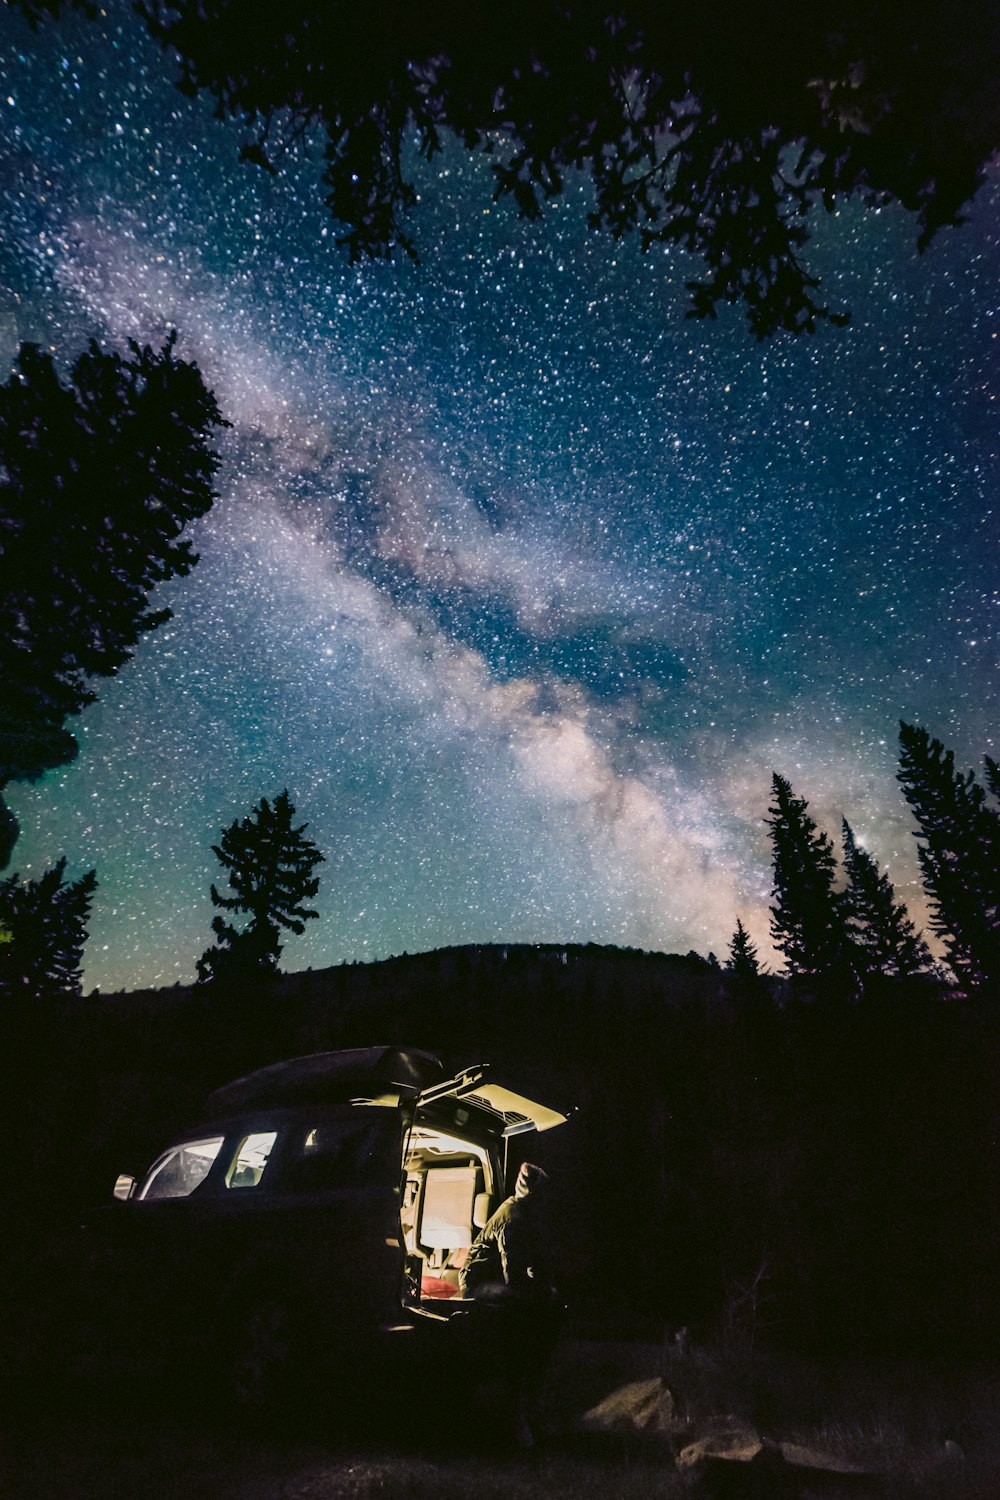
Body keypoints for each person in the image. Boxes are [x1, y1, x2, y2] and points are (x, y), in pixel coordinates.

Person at [460, 1161, 560, 1446]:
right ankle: (518, 1415)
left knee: (542, 1307)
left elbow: (534, 1262)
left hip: (494, 1279)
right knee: (523, 1312)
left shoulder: (526, 1212)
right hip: (476, 1283)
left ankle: (529, 1406)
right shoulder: (514, 1217)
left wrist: (545, 1285)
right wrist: (539, 1291)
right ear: (535, 1193)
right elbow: (514, 1275)